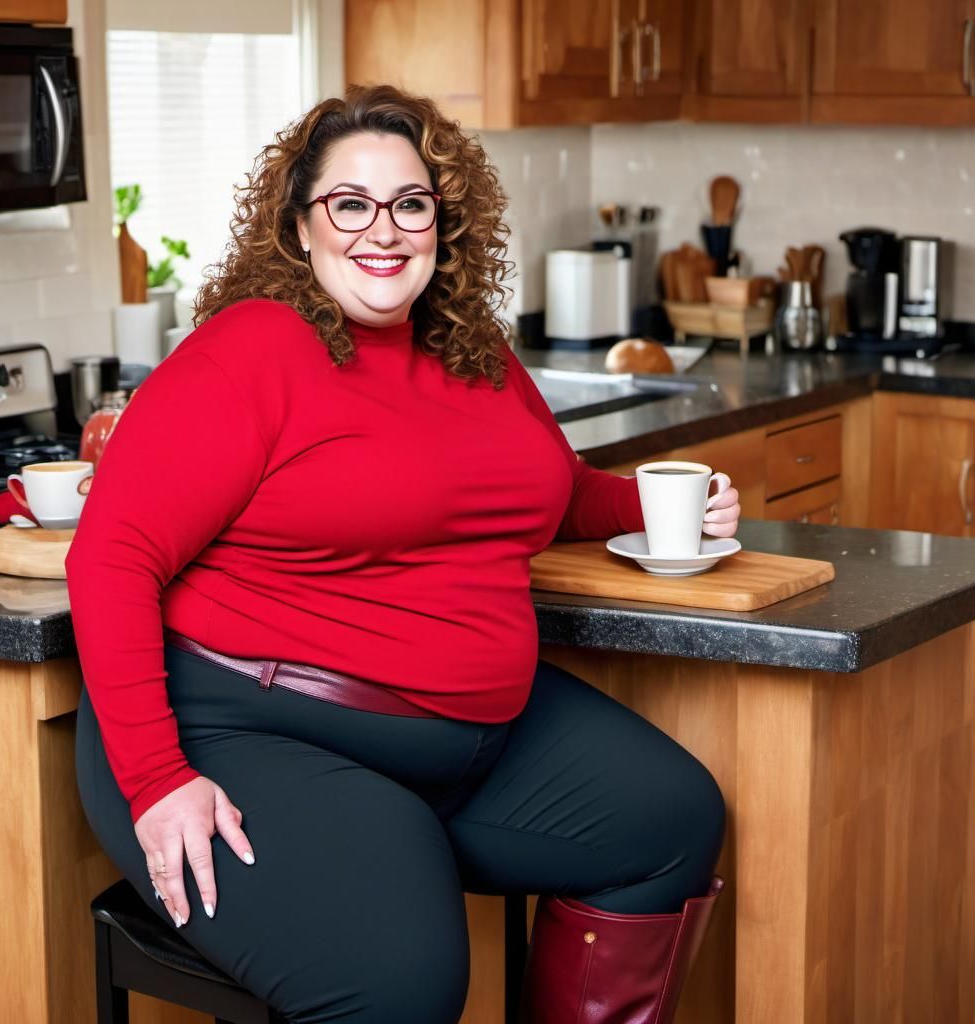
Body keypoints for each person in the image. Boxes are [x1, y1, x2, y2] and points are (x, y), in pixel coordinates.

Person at [67, 84, 740, 1024]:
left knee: (670, 820)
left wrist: (661, 506)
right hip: (251, 729)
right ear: (301, 227)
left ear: (441, 221)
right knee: (403, 983)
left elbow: (543, 489)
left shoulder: (472, 349)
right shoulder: (251, 351)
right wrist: (156, 781)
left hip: (470, 739)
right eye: (350, 203)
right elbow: (109, 558)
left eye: (411, 203)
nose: (382, 230)